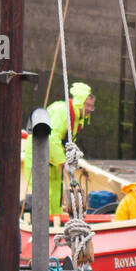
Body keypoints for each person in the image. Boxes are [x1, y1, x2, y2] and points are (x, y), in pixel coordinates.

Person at [20, 81, 94, 217]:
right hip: (39, 155)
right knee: (43, 195)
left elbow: (67, 142)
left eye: (91, 106)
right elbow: (52, 138)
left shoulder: (79, 118)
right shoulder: (62, 111)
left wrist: (67, 159)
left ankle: (56, 223)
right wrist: (63, 161)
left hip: (53, 160)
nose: (89, 109)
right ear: (79, 102)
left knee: (56, 195)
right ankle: (43, 225)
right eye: (87, 105)